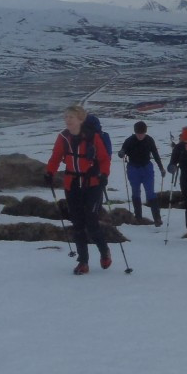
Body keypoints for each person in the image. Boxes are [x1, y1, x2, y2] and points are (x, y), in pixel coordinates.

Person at [45, 105, 112, 275]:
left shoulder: (93, 137)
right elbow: (56, 157)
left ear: (80, 119)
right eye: (66, 117)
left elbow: (104, 159)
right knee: (78, 224)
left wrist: (104, 174)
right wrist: (49, 173)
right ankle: (83, 261)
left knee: (91, 222)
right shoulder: (63, 138)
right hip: (72, 184)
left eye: (71, 117)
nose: (67, 120)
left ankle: (104, 252)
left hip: (93, 184)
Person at [117, 120, 166, 226]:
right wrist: (121, 153)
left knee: (150, 192)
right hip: (133, 169)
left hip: (147, 168)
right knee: (135, 192)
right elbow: (122, 151)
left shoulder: (149, 140)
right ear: (135, 132)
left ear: (145, 132)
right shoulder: (129, 140)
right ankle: (138, 217)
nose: (140, 135)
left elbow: (156, 154)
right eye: (138, 133)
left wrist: (161, 168)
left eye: (142, 133)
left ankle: (157, 219)